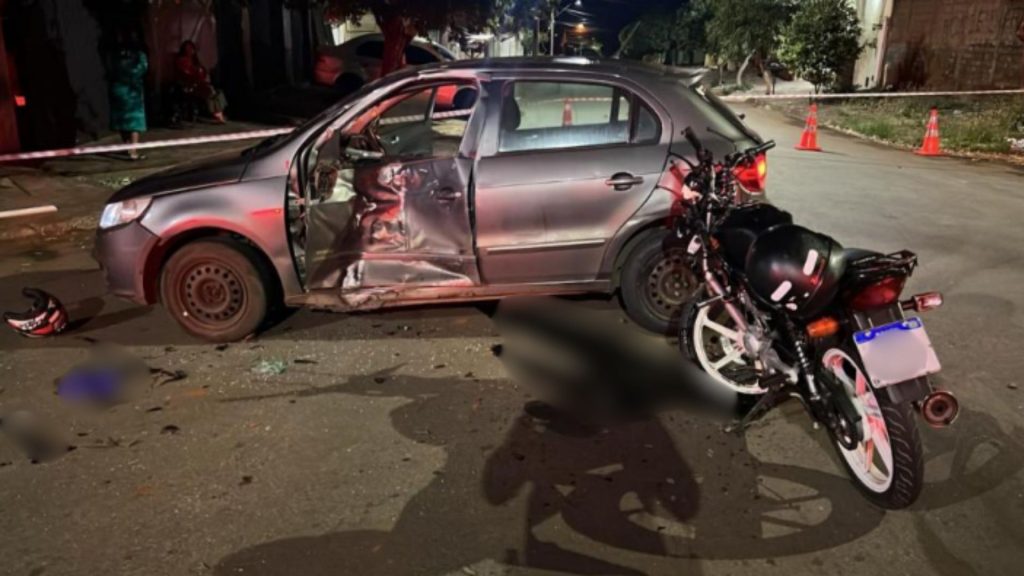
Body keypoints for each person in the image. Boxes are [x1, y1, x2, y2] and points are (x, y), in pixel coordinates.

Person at [107, 30, 148, 160]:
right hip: (132, 91)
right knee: (135, 121)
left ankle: (127, 147)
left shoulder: (114, 55)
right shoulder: (138, 55)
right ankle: (133, 151)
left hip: (119, 89)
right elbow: (142, 69)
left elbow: (110, 70)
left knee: (122, 121)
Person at [174, 40, 227, 123]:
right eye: (188, 48)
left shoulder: (195, 61)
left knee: (216, 92)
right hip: (189, 85)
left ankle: (219, 112)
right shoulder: (182, 60)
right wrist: (196, 74)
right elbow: (186, 74)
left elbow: (203, 73)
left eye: (191, 48)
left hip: (200, 83)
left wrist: (203, 74)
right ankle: (217, 114)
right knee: (210, 90)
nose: (190, 50)